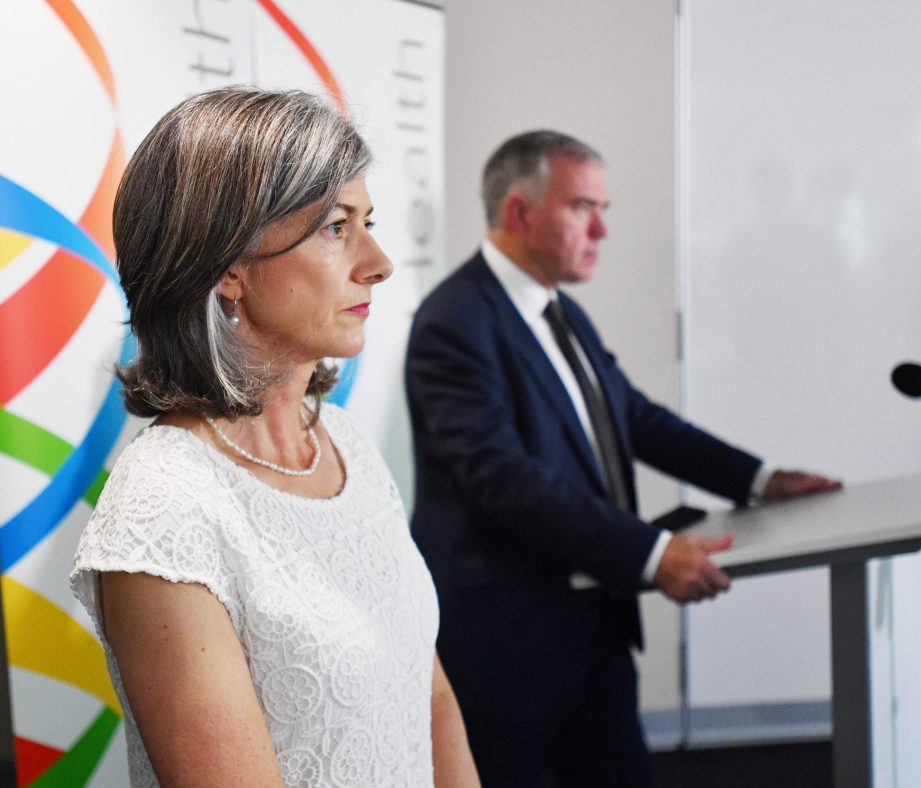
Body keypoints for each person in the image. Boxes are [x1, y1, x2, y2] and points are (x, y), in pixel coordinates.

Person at [404, 130, 840, 787]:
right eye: (584, 206)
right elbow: (501, 476)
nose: (603, 229)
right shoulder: (454, 321)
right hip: (507, 641)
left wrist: (759, 480)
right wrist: (650, 553)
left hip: (594, 622)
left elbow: (633, 418)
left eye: (603, 208)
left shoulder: (563, 311)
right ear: (521, 212)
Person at [70, 86, 479, 788]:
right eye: (335, 227)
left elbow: (428, 696)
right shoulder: (164, 506)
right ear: (227, 267)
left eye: (368, 221)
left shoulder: (344, 444)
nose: (378, 262)